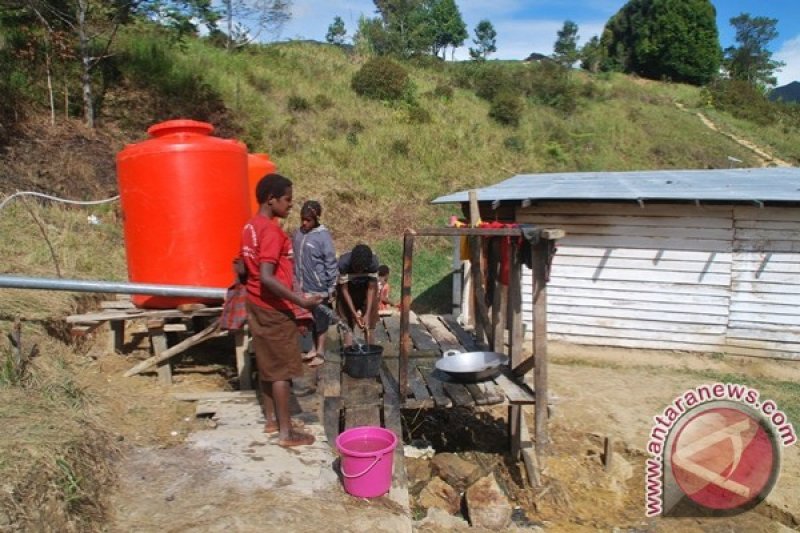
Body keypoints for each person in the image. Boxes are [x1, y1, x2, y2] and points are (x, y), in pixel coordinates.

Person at [240, 173, 322, 447]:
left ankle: (273, 419)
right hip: (274, 308)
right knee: (283, 372)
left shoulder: (250, 227)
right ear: (271, 199)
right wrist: (301, 303)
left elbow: (242, 267)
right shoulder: (271, 231)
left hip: (256, 303)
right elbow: (267, 275)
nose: (290, 205)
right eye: (287, 200)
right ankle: (287, 433)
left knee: (266, 364)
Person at [292, 200, 338, 368]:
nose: (304, 223)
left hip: (319, 288)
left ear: (316, 219)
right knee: (310, 320)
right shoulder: (298, 234)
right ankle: (312, 348)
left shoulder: (323, 237)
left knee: (321, 321)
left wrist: (331, 287)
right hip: (302, 286)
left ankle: (320, 352)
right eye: (302, 219)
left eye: (308, 220)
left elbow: (330, 262)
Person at [336, 244, 379, 346]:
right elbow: (344, 290)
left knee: (369, 324)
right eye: (356, 268)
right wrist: (355, 314)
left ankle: (370, 352)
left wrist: (367, 314)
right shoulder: (343, 263)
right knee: (347, 321)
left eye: (362, 268)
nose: (359, 271)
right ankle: (349, 351)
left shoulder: (373, 263)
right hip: (348, 289)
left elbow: (371, 288)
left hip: (366, 289)